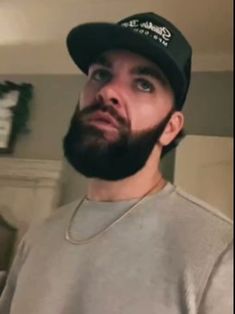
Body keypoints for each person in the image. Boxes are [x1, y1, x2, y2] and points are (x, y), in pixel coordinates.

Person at [0, 12, 233, 314]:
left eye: (144, 84)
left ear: (170, 128)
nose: (108, 91)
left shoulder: (219, 253)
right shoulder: (37, 237)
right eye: (101, 74)